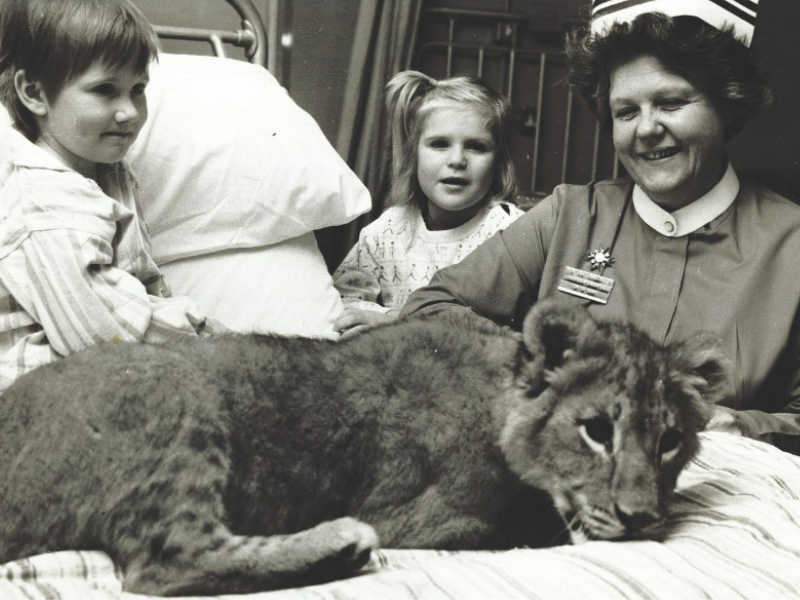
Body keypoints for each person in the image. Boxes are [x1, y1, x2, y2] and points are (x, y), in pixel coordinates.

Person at [400, 8, 800, 454]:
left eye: (671, 103)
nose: (646, 129)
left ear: (724, 105)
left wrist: (744, 425)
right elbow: (431, 305)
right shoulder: (568, 214)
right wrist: (543, 367)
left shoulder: (792, 245)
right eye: (626, 111)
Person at [0, 0, 223, 391]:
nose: (129, 112)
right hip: (31, 395)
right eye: (105, 90)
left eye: (137, 90)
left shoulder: (106, 170)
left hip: (102, 376)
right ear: (34, 93)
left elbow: (142, 281)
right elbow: (102, 337)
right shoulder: (44, 206)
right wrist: (206, 335)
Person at [333, 70, 523, 336]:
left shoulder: (511, 232)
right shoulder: (386, 231)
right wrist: (387, 318)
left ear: (498, 164)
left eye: (476, 147)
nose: (457, 160)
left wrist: (402, 321)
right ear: (414, 156)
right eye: (440, 144)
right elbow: (343, 299)